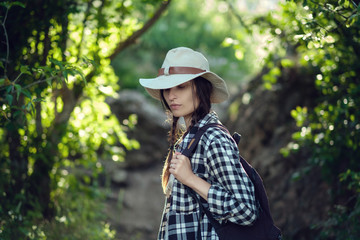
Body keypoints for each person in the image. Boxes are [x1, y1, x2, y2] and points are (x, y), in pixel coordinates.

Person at [139, 47, 258, 240]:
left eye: (181, 86)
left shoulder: (213, 139)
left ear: (202, 89)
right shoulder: (190, 138)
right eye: (167, 88)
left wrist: (191, 179)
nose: (171, 96)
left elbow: (246, 210)